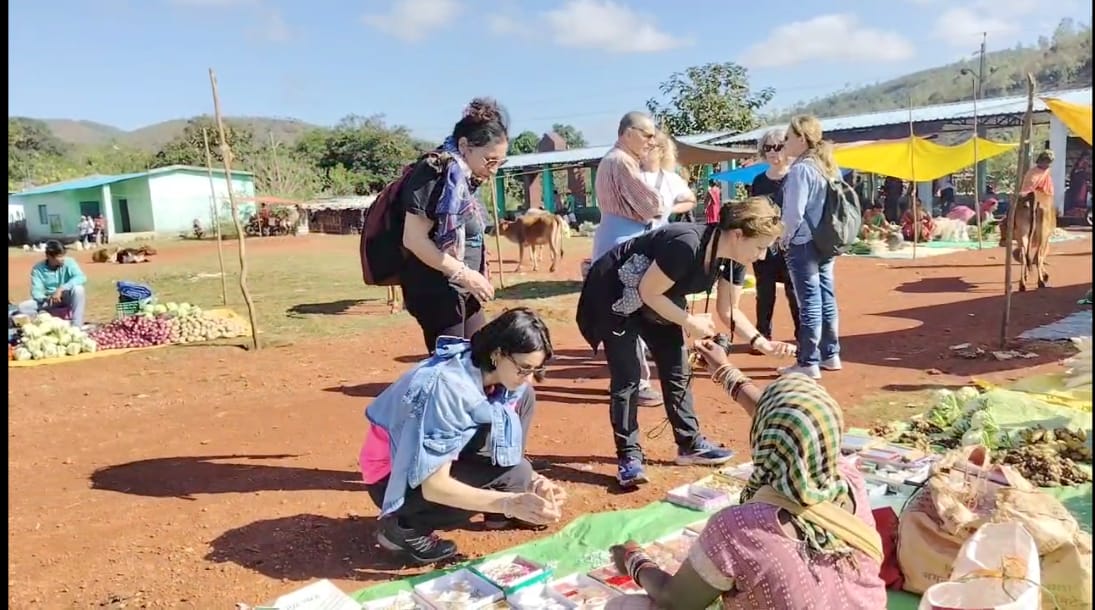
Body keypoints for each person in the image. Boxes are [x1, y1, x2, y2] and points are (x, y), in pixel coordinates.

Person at [609, 341, 886, 609]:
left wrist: (635, 560)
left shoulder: (739, 527)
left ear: (765, 439)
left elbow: (675, 601)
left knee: (626, 605)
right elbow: (792, 422)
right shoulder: (850, 481)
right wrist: (724, 369)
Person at [576, 198, 795, 487]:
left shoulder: (735, 260)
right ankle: (629, 457)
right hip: (616, 292)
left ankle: (689, 444)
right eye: (760, 246)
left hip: (660, 297)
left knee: (676, 368)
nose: (763, 256)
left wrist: (762, 343)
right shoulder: (686, 244)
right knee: (628, 378)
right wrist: (690, 322)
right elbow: (647, 291)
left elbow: (728, 309)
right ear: (738, 234)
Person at [359, 308, 566, 564]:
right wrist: (508, 502)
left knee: (521, 451)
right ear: (498, 353)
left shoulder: (492, 374)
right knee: (514, 474)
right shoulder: (447, 390)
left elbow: (506, 441)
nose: (530, 379)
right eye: (524, 369)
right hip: (392, 478)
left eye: (536, 370)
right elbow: (435, 487)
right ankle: (405, 527)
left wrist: (534, 482)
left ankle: (505, 496)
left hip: (426, 462)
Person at [398, 98, 508, 353]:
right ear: (464, 146)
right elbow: (413, 239)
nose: (494, 170)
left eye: (500, 163)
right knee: (450, 373)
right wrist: (465, 274)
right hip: (437, 293)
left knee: (479, 360)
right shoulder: (435, 172)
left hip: (462, 292)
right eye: (490, 160)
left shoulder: (465, 179)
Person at [591, 112, 664, 408]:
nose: (652, 140)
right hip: (624, 246)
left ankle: (633, 379)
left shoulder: (614, 160)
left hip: (617, 240)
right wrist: (656, 175)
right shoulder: (620, 162)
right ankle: (638, 381)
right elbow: (651, 206)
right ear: (627, 132)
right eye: (646, 134)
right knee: (628, 315)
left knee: (624, 314)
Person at [779, 114, 844, 380]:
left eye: (787, 137)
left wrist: (784, 239)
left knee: (809, 301)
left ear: (800, 138)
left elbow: (793, 213)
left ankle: (808, 361)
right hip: (826, 240)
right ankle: (831, 354)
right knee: (826, 296)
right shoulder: (827, 165)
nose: (785, 142)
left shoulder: (801, 169)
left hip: (803, 242)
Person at [748, 128, 799, 353]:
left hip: (790, 244)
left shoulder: (796, 176)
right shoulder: (759, 180)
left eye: (778, 146)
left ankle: (803, 336)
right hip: (765, 245)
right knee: (764, 292)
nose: (772, 152)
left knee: (794, 292)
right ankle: (763, 335)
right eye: (768, 147)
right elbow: (754, 210)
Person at [17, 240, 88, 328]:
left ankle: (76, 326)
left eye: (63, 256)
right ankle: (46, 322)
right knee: (23, 307)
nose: (62, 259)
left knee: (78, 290)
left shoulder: (69, 262)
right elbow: (36, 291)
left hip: (66, 296)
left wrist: (61, 289)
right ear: (49, 256)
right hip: (49, 301)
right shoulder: (38, 269)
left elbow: (81, 277)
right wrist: (48, 298)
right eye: (59, 256)